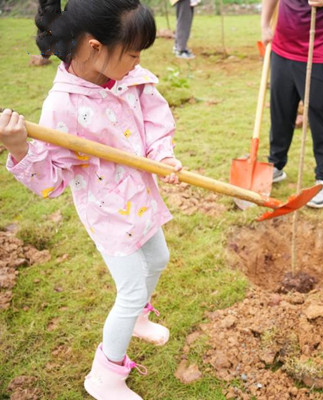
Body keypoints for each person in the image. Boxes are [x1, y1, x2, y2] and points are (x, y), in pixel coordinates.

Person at [0, 1, 183, 398]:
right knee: (131, 288)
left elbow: (154, 116)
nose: (137, 61)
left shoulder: (128, 76)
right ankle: (105, 375)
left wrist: (162, 154)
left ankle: (136, 318)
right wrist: (19, 149)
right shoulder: (63, 107)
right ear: (97, 47)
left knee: (159, 259)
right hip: (107, 213)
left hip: (140, 196)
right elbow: (50, 182)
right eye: (133, 52)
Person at [261, 0, 323, 208]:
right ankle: (276, 164)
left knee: (320, 116)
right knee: (280, 111)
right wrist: (265, 25)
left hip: (319, 51)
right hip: (282, 46)